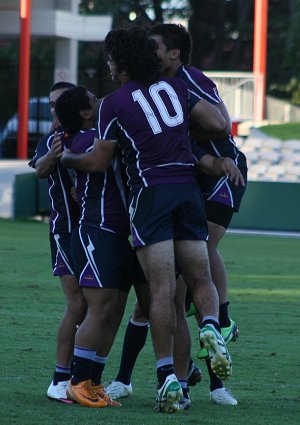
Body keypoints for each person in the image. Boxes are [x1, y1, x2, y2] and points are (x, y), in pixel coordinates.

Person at [60, 27, 233, 414]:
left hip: (151, 196)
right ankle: (209, 322)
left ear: (120, 63)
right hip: (188, 192)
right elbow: (217, 122)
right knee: (198, 279)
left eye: (109, 60)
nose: (107, 66)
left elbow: (99, 160)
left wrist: (66, 159)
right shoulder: (177, 89)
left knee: (158, 293)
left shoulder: (112, 103)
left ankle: (167, 375)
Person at [149, 23, 248, 405]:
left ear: (173, 54)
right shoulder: (154, 84)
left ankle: (222, 318)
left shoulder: (191, 80)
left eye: (155, 47)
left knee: (201, 254)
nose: (150, 52)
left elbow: (220, 123)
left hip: (223, 169)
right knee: (174, 293)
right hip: (189, 174)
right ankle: (183, 376)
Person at [54, 85, 148, 408]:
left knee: (113, 313)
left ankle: (93, 383)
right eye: (94, 100)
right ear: (84, 113)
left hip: (121, 235)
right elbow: (94, 160)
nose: (100, 101)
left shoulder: (96, 134)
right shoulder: (85, 140)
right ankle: (76, 382)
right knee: (100, 309)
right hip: (97, 230)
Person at [28, 81, 87, 403]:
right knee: (78, 305)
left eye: (59, 102)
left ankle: (85, 378)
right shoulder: (50, 141)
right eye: (51, 104)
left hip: (98, 229)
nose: (54, 109)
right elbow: (39, 170)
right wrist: (53, 156)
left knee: (103, 306)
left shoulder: (95, 134)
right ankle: (60, 379)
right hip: (65, 229)